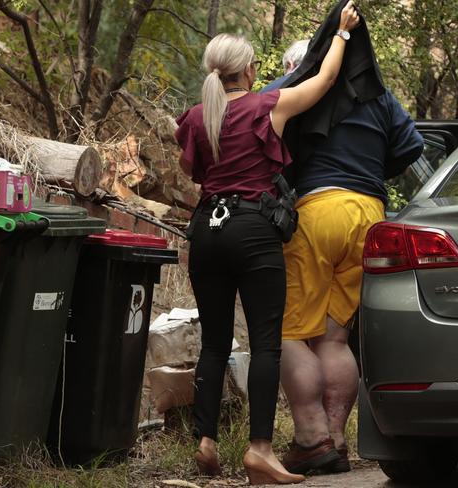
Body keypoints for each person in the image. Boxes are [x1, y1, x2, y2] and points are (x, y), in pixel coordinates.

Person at [173, 3, 360, 485]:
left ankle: (206, 442)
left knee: (214, 345)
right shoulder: (266, 106)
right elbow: (323, 82)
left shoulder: (195, 117)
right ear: (251, 70)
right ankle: (259, 451)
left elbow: (187, 170)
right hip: (253, 231)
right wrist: (339, 34)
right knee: (265, 345)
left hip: (206, 233)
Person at [273, 44, 425, 474]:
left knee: (287, 333)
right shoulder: (378, 95)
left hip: (317, 211)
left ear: (297, 65)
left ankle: (310, 437)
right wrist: (370, 168)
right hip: (369, 216)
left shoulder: (295, 87)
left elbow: (252, 121)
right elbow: (411, 148)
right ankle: (337, 441)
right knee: (333, 339)